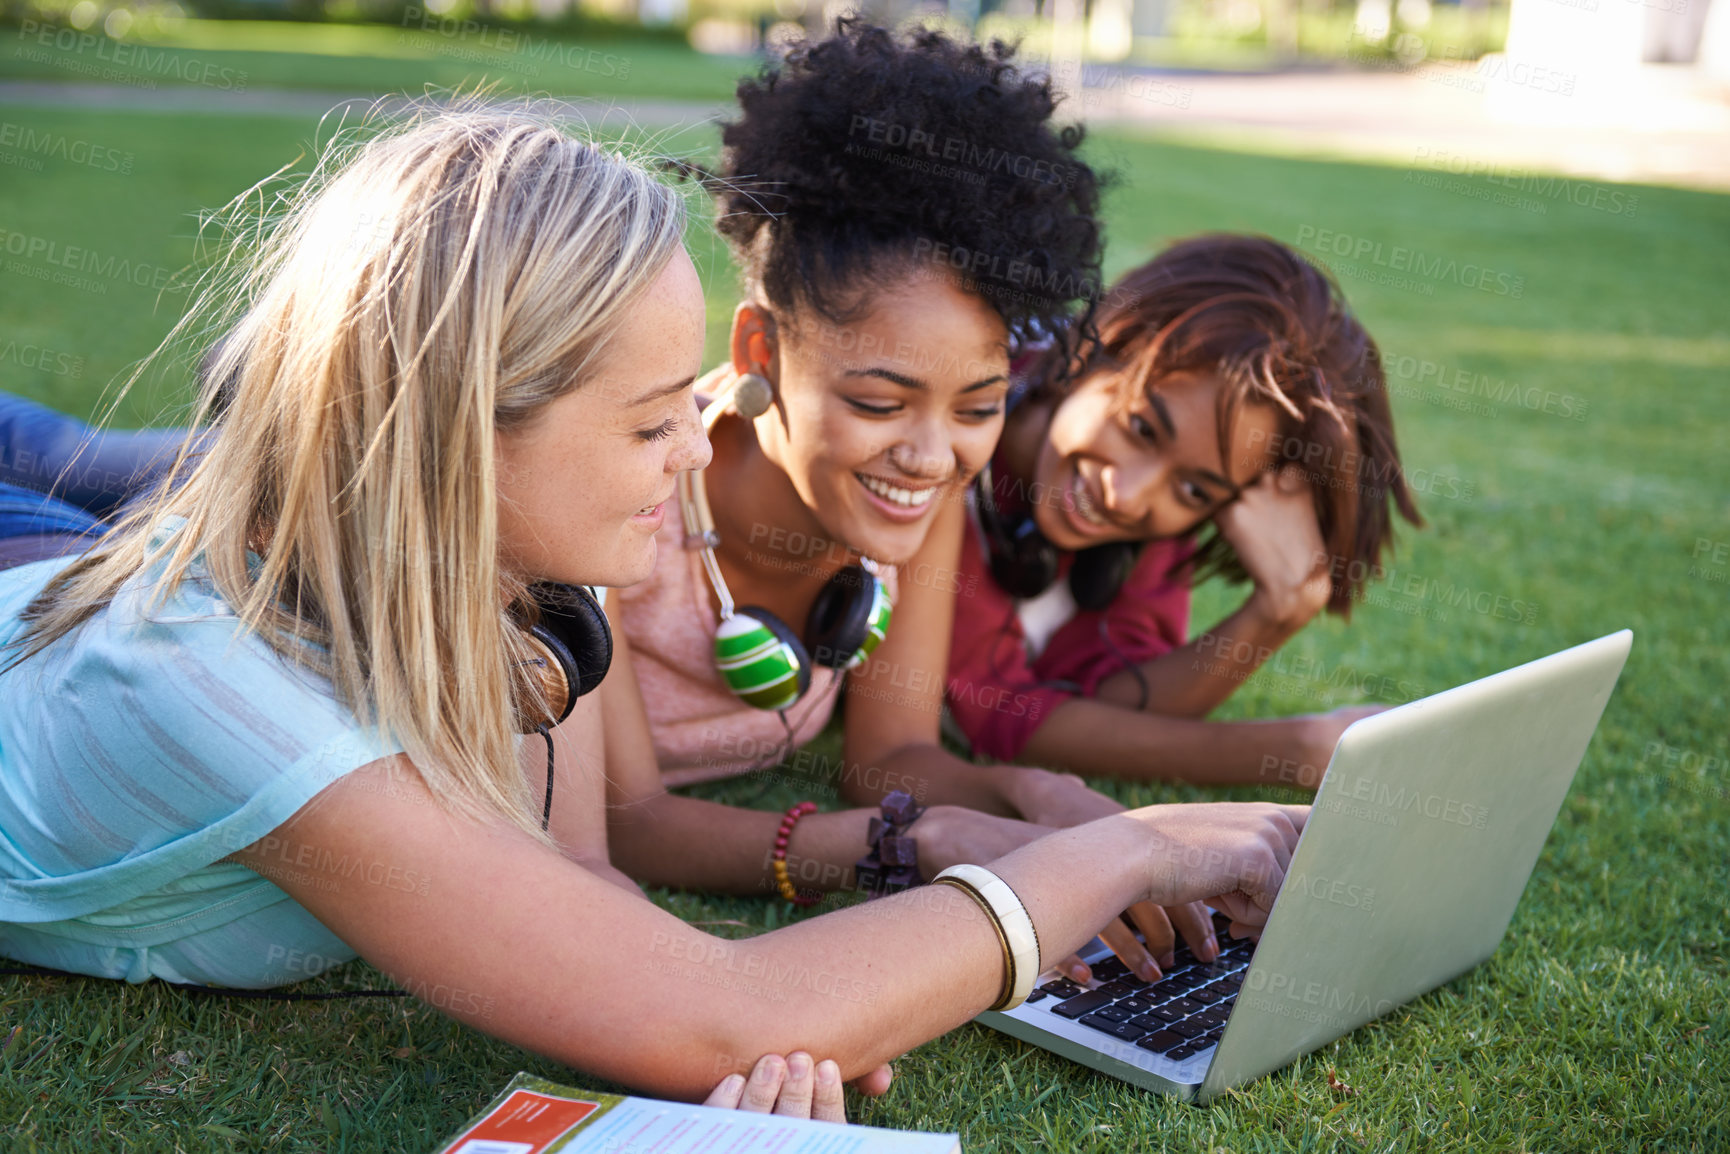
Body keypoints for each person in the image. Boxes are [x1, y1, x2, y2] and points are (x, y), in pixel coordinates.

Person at [0, 107, 1308, 1121]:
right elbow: (715, 1009)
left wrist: (822, 1002)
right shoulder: (237, 703)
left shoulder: (518, 581)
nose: (695, 453)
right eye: (646, 422)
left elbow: (592, 886)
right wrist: (1125, 854)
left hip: (64, 580)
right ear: (460, 440)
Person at [592, 21, 1226, 984]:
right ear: (762, 352)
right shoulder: (631, 493)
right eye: (878, 402)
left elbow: (890, 756)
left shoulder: (917, 504)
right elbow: (631, 824)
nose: (930, 458)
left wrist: (1030, 794)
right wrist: (906, 845)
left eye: (979, 406)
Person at [940, 234, 1424, 788]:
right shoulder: (952, 431)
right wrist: (1295, 749)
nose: (1128, 497)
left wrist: (1279, 612)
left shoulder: (1160, 499)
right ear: (1103, 343)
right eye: (1141, 428)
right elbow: (991, 714)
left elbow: (1116, 698)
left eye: (1197, 491)